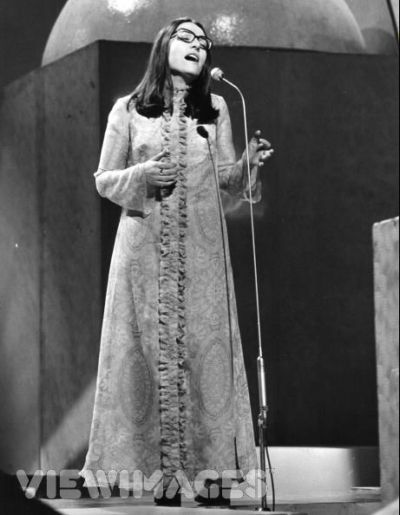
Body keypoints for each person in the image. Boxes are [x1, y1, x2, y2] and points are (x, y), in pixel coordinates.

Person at [80, 17, 273, 506]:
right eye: (187, 38)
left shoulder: (217, 108)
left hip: (204, 255)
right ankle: (150, 477)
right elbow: (104, 178)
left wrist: (247, 165)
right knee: (141, 353)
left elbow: (227, 177)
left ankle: (211, 478)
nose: (198, 47)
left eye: (204, 43)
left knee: (208, 356)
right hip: (143, 251)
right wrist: (143, 174)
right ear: (164, 45)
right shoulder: (128, 109)